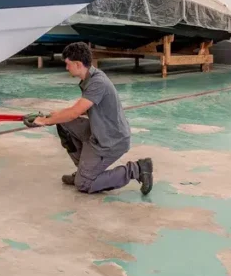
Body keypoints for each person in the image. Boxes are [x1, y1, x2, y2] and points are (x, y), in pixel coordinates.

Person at [29, 42, 153, 196]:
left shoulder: (97, 83)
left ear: (78, 64)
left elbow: (75, 112)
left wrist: (44, 121)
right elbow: (83, 110)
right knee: (62, 122)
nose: (66, 68)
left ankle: (138, 168)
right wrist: (52, 116)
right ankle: (84, 170)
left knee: (84, 184)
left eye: (67, 64)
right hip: (100, 130)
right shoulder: (91, 77)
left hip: (111, 140)